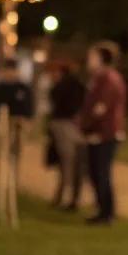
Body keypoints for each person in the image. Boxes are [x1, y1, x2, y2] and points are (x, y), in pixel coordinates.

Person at [79, 43, 127, 225]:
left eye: (92, 57)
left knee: (101, 172)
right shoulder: (99, 78)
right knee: (94, 172)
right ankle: (102, 210)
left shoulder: (109, 79)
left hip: (105, 134)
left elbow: (101, 108)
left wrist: (88, 127)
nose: (88, 60)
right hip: (99, 132)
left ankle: (107, 213)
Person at [48, 61, 87, 210]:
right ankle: (72, 198)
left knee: (67, 165)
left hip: (65, 126)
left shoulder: (62, 87)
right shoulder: (80, 86)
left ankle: (64, 198)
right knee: (76, 165)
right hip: (77, 128)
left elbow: (55, 102)